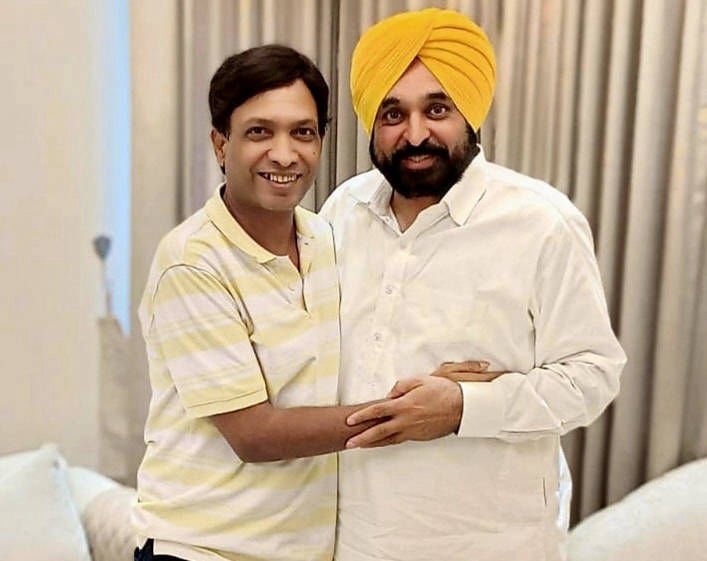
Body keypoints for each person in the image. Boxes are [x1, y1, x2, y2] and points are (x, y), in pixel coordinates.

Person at [319, 8, 627, 561]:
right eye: (393, 113)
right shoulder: (344, 210)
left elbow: (593, 376)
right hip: (355, 536)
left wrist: (463, 406)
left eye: (436, 109)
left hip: (489, 541)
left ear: (470, 113)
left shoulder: (540, 222)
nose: (415, 134)